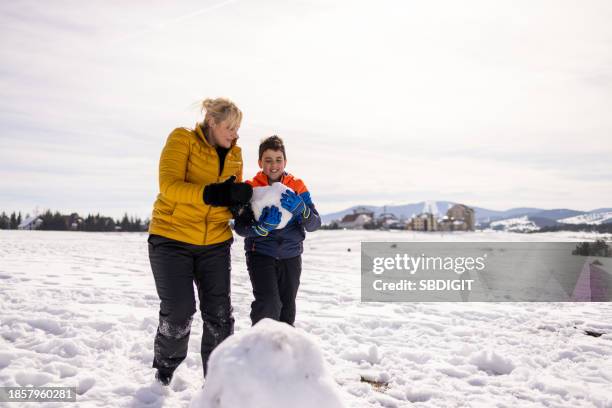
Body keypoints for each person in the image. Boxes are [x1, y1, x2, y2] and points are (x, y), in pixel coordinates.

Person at [147, 97, 252, 385]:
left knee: (220, 315)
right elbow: (168, 186)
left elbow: (227, 196)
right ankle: (165, 369)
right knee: (179, 312)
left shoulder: (235, 154)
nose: (235, 134)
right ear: (212, 122)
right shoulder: (183, 139)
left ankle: (218, 383)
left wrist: (239, 208)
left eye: (238, 128)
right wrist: (211, 193)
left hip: (215, 242)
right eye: (230, 127)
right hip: (171, 238)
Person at [234, 135, 321, 327]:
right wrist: (261, 228)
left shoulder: (297, 186)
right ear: (260, 162)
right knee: (268, 305)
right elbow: (240, 226)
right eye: (268, 160)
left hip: (291, 255)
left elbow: (314, 224)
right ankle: (259, 349)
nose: (274, 165)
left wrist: (302, 210)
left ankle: (282, 353)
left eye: (278, 159)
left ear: (285, 161)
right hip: (261, 253)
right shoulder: (250, 188)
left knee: (287, 309)